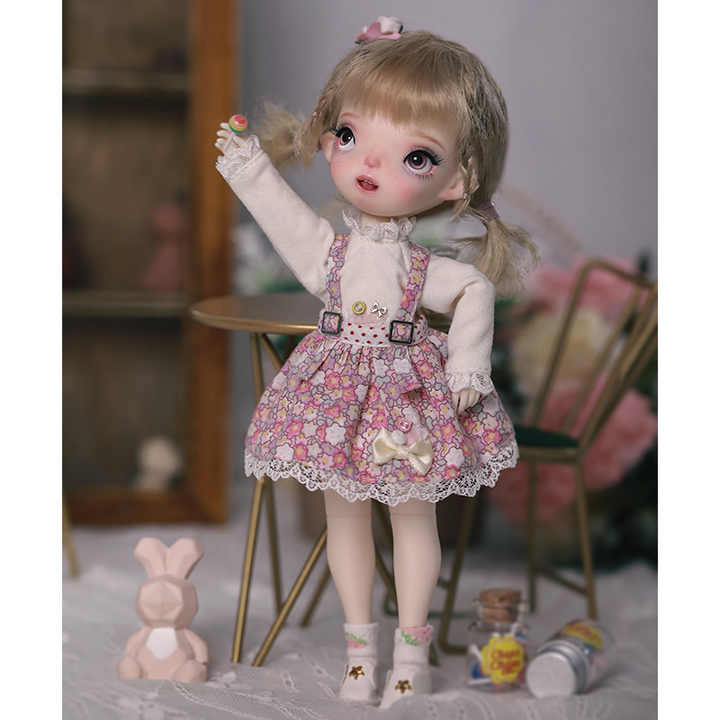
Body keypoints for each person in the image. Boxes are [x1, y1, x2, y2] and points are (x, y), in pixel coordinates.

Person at [215, 16, 537, 709]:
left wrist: (466, 366)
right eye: (349, 135)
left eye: (415, 157)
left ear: (457, 179)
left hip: (405, 399)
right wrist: (250, 166)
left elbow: (475, 290)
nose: (367, 165)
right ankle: (361, 654)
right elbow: (287, 221)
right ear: (327, 135)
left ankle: (411, 656)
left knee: (413, 518)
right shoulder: (331, 254)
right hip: (335, 396)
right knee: (345, 518)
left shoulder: (423, 268)